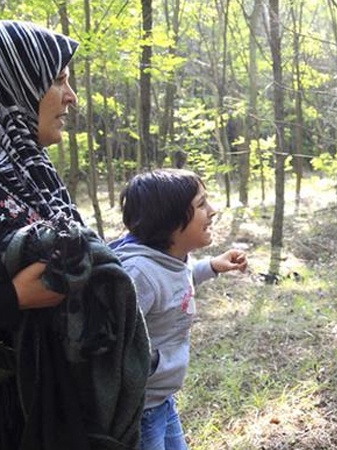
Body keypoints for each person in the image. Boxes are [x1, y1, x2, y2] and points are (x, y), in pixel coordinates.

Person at [0, 20, 150, 449]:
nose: (71, 97)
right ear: (9, 85)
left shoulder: (30, 172)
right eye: (58, 81)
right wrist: (9, 300)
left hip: (48, 410)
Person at [110, 169, 248, 450]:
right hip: (140, 410)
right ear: (169, 221)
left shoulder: (169, 258)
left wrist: (210, 267)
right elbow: (111, 338)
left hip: (161, 399)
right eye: (201, 204)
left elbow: (175, 284)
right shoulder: (139, 273)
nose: (213, 210)